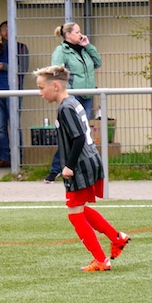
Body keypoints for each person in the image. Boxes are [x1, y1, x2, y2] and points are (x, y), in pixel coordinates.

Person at [35, 64, 129, 272]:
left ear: (55, 86)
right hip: (89, 160)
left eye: (42, 88)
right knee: (79, 209)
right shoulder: (73, 102)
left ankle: (101, 260)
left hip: (80, 164)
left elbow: (78, 138)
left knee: (74, 214)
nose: (40, 93)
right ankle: (116, 237)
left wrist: (68, 166)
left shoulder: (65, 108)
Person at [44, 22, 102, 184]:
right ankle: (56, 169)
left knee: (82, 133)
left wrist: (88, 46)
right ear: (68, 34)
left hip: (86, 95)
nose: (80, 35)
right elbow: (55, 72)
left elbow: (97, 63)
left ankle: (77, 167)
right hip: (72, 97)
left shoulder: (84, 50)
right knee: (72, 134)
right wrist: (65, 91)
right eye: (77, 32)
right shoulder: (61, 51)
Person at [0, 21, 30, 168]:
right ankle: (3, 158)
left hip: (14, 91)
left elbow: (23, 69)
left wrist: (4, 66)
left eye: (9, 29)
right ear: (0, 33)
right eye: (4, 30)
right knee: (0, 127)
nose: (7, 32)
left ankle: (18, 158)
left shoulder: (21, 47)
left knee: (14, 125)